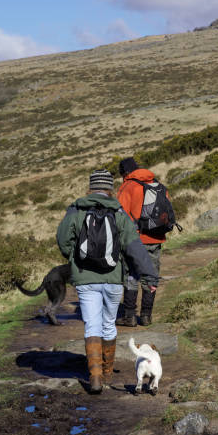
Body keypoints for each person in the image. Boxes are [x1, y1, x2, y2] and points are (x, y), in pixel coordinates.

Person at [56, 169, 158, 394]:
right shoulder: (119, 213)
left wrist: (73, 258)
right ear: (110, 189)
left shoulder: (76, 210)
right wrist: (149, 276)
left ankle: (94, 378)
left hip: (84, 277)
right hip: (113, 278)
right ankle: (108, 373)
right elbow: (134, 247)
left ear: (90, 188)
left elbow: (63, 240)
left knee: (91, 324)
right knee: (108, 323)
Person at [116, 157, 168, 327]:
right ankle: (146, 316)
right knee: (151, 275)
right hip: (155, 237)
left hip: (134, 240)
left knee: (131, 275)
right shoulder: (157, 184)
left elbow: (119, 216)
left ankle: (129, 316)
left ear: (124, 172)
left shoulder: (127, 186)